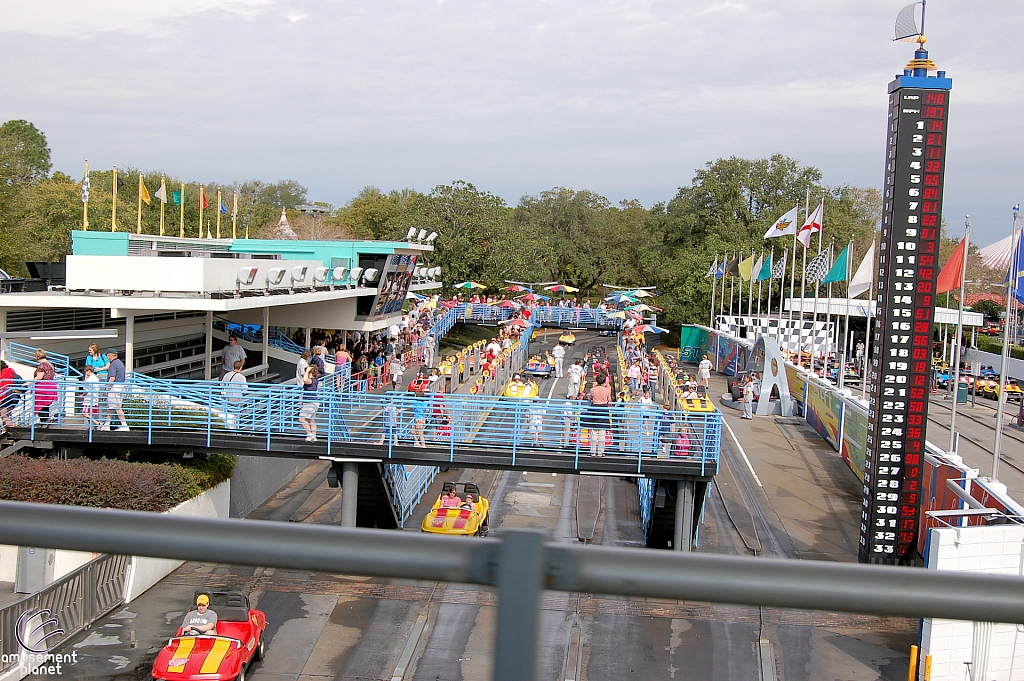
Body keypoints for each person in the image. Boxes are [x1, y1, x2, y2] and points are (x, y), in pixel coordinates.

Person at [103, 348, 129, 431]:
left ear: (110, 355)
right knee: (111, 407)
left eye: (107, 355)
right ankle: (106, 425)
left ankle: (124, 425)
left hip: (114, 387)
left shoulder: (113, 364)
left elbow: (112, 378)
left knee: (117, 407)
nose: (107, 357)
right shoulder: (120, 363)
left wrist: (107, 389)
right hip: (120, 387)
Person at [586, 375, 613, 456]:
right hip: (604, 409)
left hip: (594, 409)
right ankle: (600, 452)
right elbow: (609, 400)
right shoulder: (607, 391)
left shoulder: (592, 390)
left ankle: (592, 452)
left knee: (593, 432)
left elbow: (590, 398)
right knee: (602, 432)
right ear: (604, 382)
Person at [221, 359, 248, 429]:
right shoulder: (242, 377)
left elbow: (222, 385)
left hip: (227, 398)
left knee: (227, 413)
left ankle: (226, 427)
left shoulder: (226, 375)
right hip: (237, 399)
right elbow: (245, 390)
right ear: (241, 368)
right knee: (236, 416)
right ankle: (235, 429)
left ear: (233, 367)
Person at [299, 364, 321, 442]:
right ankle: (314, 436)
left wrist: (307, 371)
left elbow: (305, 380)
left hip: (310, 402)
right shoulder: (315, 380)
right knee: (311, 420)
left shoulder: (311, 380)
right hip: (312, 402)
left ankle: (309, 434)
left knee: (301, 418)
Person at [0, 360, 18, 428]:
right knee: (5, 414)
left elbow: (3, 388)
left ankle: (12, 430)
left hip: (10, 396)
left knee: (3, 414)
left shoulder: (5, 373)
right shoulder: (8, 372)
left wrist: (0, 398)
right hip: (12, 396)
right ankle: (6, 430)